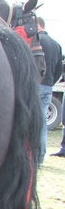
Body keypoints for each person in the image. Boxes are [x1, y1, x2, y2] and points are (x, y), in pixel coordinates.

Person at [35, 17, 62, 162]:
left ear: (38, 26)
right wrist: (50, 82)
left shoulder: (36, 41)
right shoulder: (56, 45)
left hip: (34, 85)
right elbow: (59, 69)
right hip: (48, 86)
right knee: (42, 122)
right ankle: (40, 155)